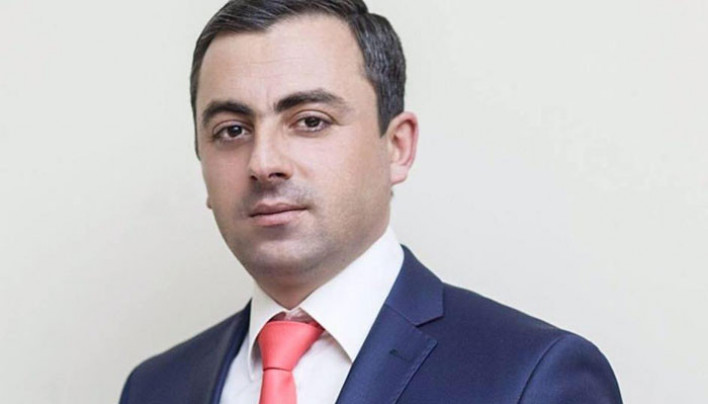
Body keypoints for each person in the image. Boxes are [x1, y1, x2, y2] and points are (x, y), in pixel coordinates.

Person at [120, 1, 623, 403]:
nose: (263, 162)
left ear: (397, 147)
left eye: (310, 121)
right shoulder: (154, 388)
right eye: (231, 130)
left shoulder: (531, 376)